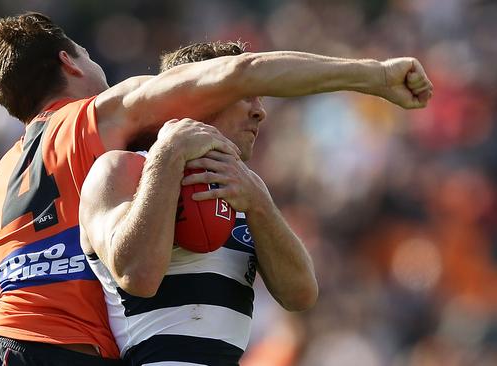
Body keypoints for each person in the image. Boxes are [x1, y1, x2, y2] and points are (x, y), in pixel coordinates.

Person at [0, 12, 433, 366]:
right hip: (71, 353)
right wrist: (374, 75)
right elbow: (239, 71)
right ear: (71, 63)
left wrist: (26, 322)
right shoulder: (97, 117)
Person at [78, 41, 317, 365]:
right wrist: (168, 156)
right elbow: (138, 275)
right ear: (196, 94)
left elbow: (301, 294)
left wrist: (260, 204)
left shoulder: (245, 188)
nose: (260, 110)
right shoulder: (120, 169)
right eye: (245, 93)